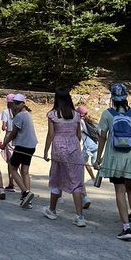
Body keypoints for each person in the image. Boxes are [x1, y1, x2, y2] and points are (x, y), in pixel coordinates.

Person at [95, 82, 131, 242]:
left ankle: (126, 228)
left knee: (120, 190)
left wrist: (98, 159)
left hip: (115, 158)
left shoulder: (107, 114)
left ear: (112, 98)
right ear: (126, 97)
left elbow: (102, 137)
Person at [42, 89, 87, 227]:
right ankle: (80, 216)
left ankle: (52, 210)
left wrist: (45, 151)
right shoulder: (76, 115)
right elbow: (79, 135)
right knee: (76, 181)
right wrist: (73, 145)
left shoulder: (53, 115)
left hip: (58, 149)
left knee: (56, 178)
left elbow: (51, 135)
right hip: (74, 149)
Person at [1, 94, 37, 208]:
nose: (15, 105)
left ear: (23, 104)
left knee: (12, 167)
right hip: (31, 146)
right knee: (25, 171)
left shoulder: (19, 116)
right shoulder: (27, 114)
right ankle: (28, 199)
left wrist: (4, 144)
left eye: (18, 103)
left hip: (22, 146)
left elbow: (13, 133)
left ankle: (25, 192)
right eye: (14, 103)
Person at [76, 105, 98, 181]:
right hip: (94, 145)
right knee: (95, 163)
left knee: (83, 162)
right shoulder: (89, 120)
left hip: (88, 146)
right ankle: (95, 177)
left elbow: (79, 133)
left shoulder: (80, 122)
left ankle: (93, 178)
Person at [1, 94, 16, 190]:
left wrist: (7, 127)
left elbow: (3, 127)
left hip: (9, 136)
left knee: (10, 161)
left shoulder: (6, 112)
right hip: (18, 136)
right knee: (17, 159)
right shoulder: (19, 112)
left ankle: (11, 183)